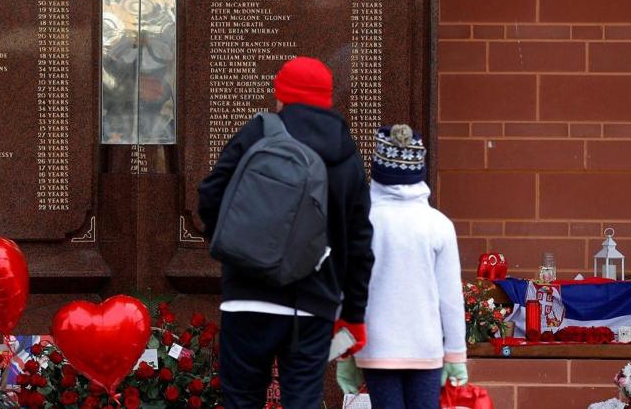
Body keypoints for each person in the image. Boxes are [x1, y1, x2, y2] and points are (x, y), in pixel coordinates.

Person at [198, 56, 374, 409]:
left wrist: (237, 246)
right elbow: (359, 244)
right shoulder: (347, 155)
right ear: (327, 99)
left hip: (247, 295)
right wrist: (354, 314)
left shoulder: (257, 133)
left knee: (242, 400)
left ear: (282, 96)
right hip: (312, 305)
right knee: (303, 401)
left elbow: (210, 197)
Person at [336, 125, 468, 408]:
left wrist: (343, 350)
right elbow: (451, 299)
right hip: (425, 347)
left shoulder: (360, 222)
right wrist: (456, 355)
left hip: (376, 347)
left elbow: (345, 289)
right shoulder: (439, 225)